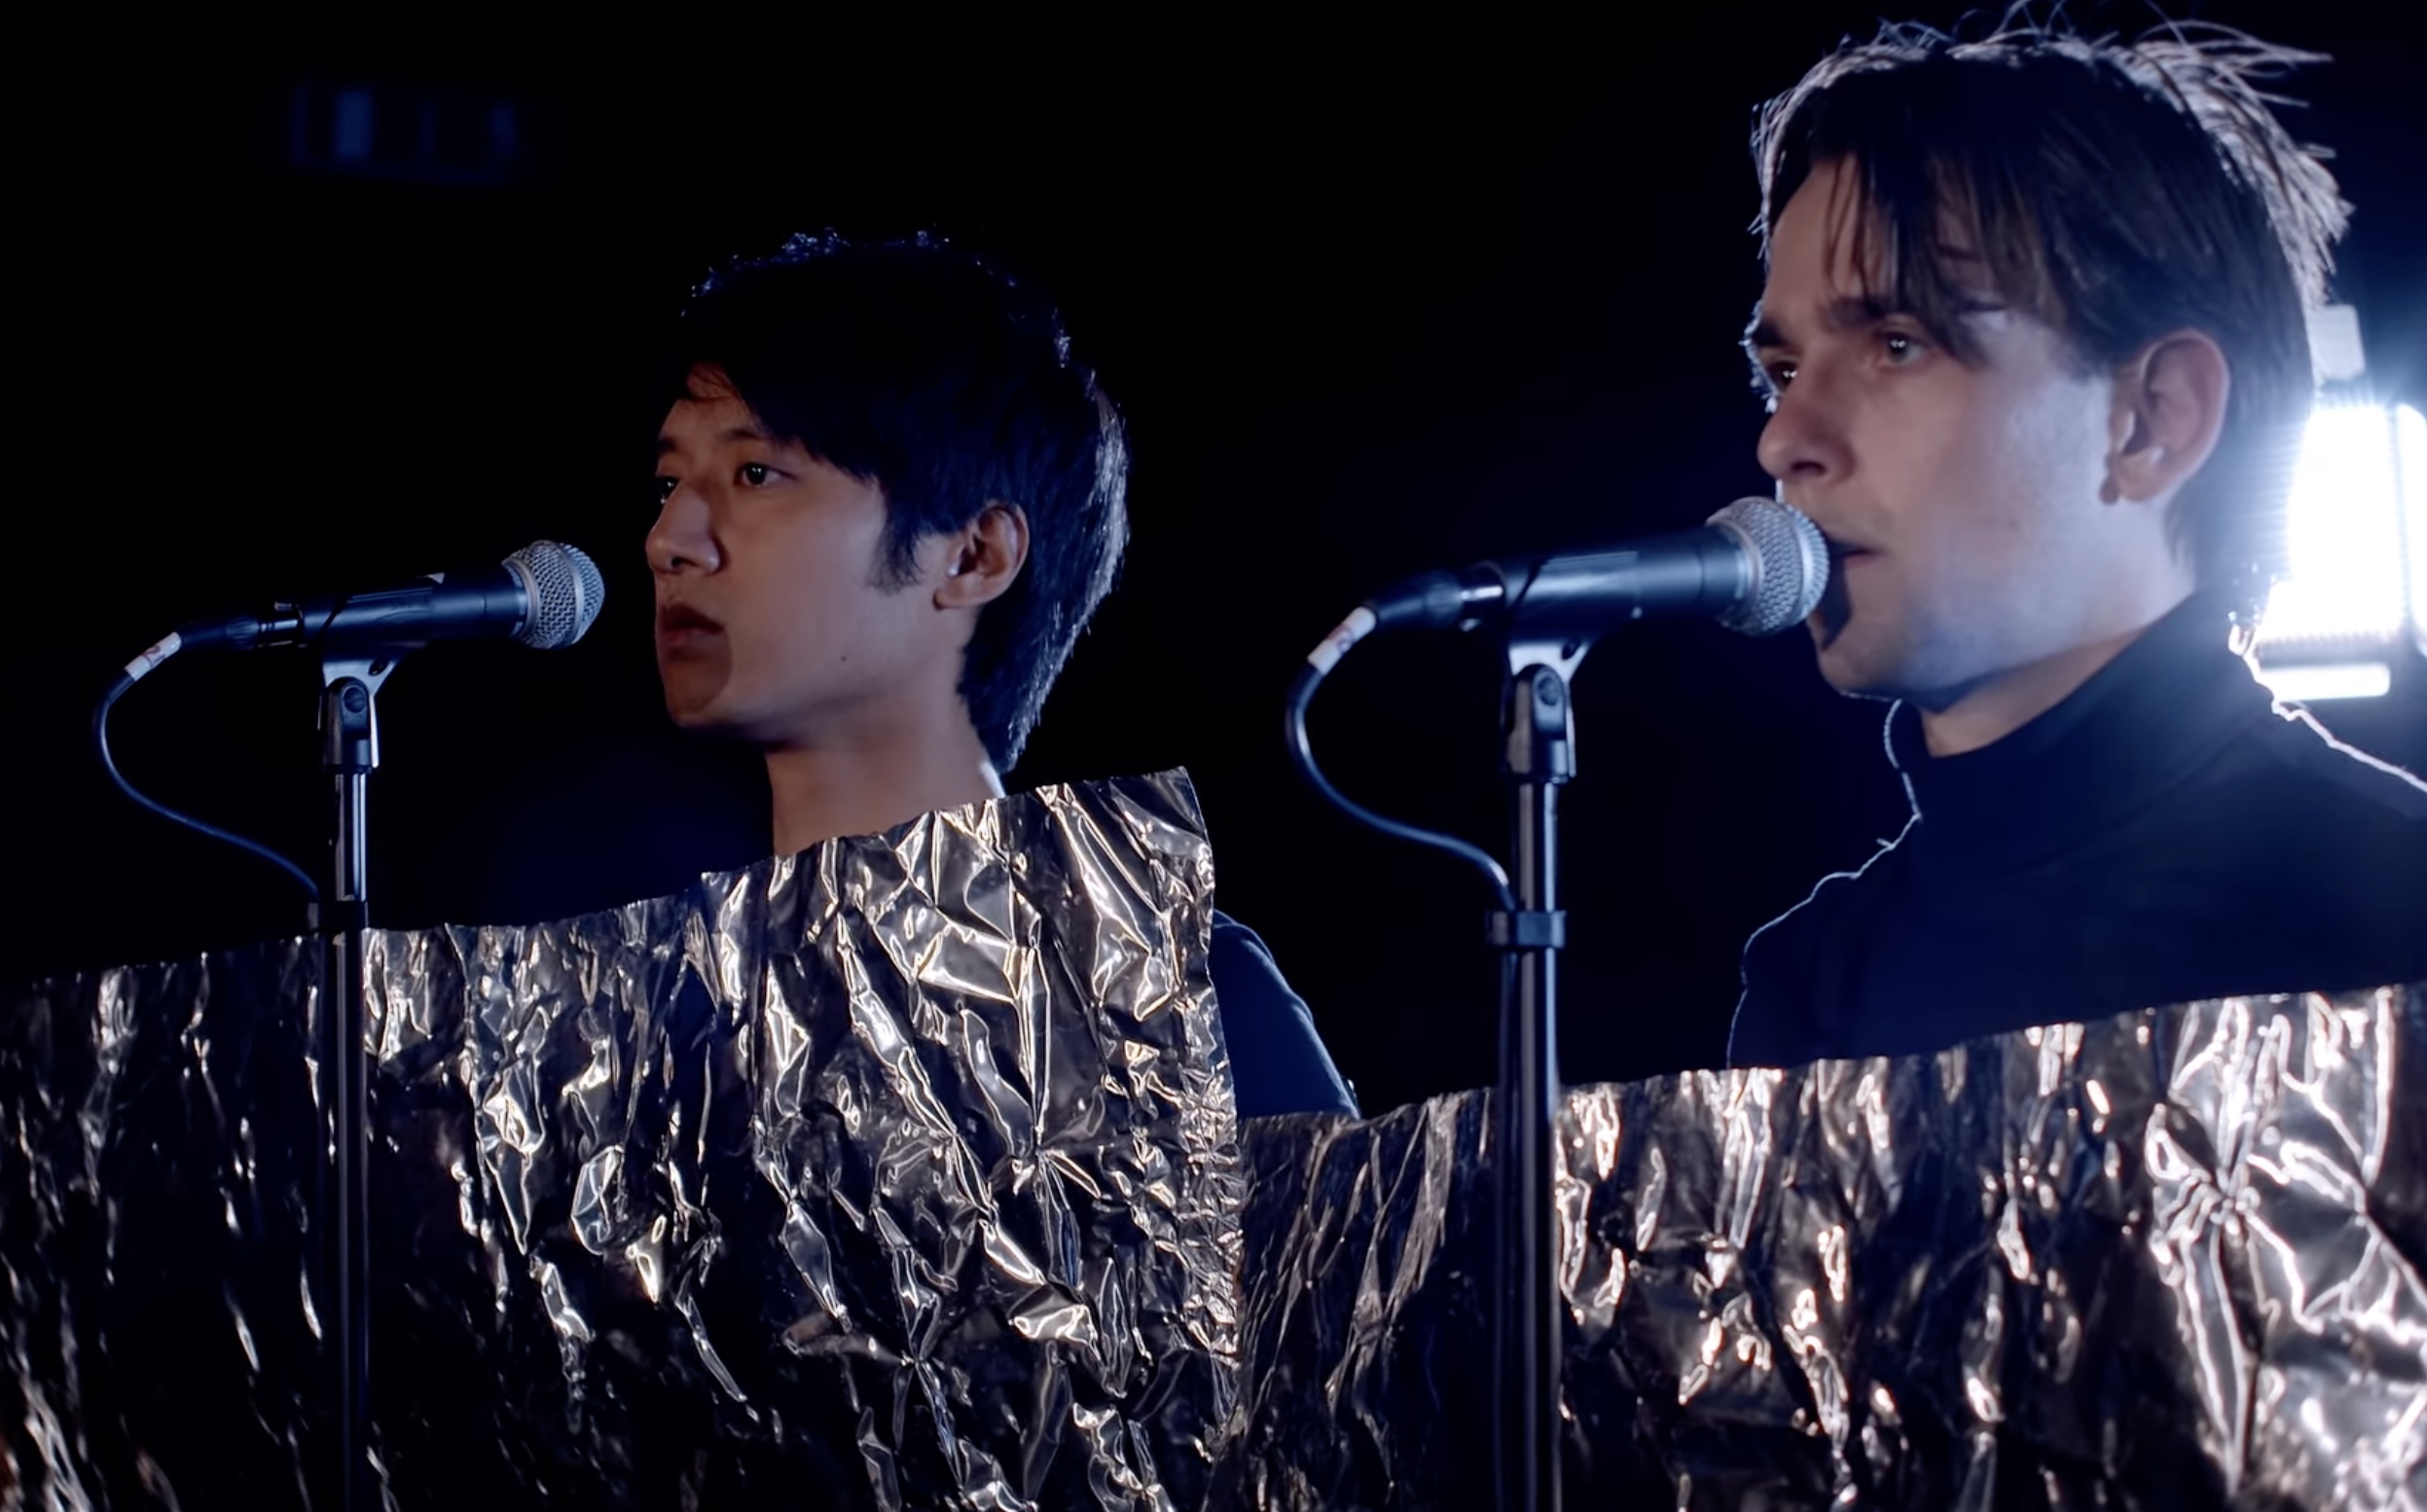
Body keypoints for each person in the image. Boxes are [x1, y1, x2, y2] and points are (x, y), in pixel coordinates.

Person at [1723, 21, 2427, 1067]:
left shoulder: (2400, 913)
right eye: (1782, 372)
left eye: (1897, 344)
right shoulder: (1812, 987)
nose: (1784, 439)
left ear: (2153, 420)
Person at [645, 232, 1358, 1117]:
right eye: (667, 485)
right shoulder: (666, 1009)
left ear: (975, 555)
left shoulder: (1165, 1001)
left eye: (756, 474)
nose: (668, 540)